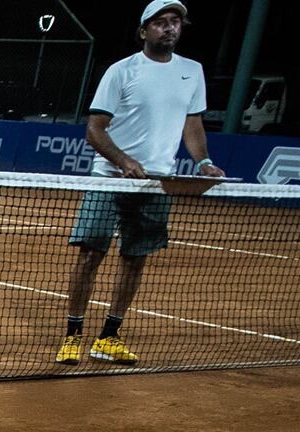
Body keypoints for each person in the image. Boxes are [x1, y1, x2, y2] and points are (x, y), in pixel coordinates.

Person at [57, 1, 224, 367]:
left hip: (157, 183)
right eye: (161, 22)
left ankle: (109, 337)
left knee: (135, 261)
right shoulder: (121, 71)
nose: (170, 28)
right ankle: (72, 336)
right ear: (144, 30)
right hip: (110, 180)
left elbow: (192, 125)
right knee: (90, 257)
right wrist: (124, 161)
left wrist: (204, 162)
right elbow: (94, 129)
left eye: (175, 22)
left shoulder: (192, 72)